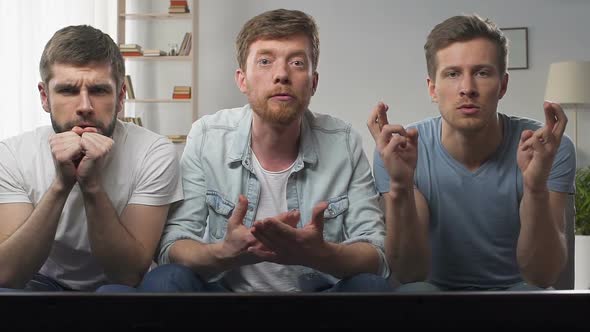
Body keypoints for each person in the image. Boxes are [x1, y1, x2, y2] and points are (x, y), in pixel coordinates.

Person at [138, 8, 391, 293]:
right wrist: (224, 254)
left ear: (313, 82)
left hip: (317, 299)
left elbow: (376, 253)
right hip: (227, 297)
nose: (281, 74)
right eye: (265, 61)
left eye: (296, 62)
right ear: (242, 79)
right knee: (166, 279)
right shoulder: (207, 136)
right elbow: (173, 245)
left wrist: (321, 255)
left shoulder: (343, 141)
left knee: (371, 286)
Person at [368, 14, 575, 291]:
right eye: (453, 74)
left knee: (534, 295)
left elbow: (542, 276)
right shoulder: (400, 151)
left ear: (502, 85)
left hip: (517, 299)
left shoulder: (546, 147)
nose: (467, 89)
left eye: (482, 72)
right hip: (434, 301)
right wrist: (400, 185)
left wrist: (535, 187)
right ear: (432, 88)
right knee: (414, 292)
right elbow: (409, 272)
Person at [0, 25, 183, 291]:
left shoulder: (154, 152)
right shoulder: (12, 154)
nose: (85, 106)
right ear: (44, 97)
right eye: (67, 90)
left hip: (116, 287)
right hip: (41, 283)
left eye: (98, 90)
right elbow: (8, 275)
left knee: (116, 292)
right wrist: (61, 185)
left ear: (120, 97)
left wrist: (92, 185)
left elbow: (128, 274)